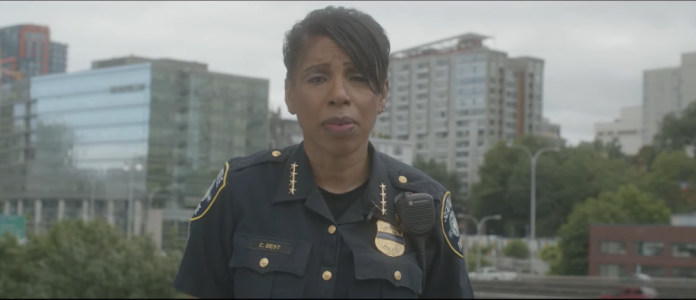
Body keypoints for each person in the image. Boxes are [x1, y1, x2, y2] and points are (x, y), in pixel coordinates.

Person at [174, 6, 474, 299]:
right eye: (318, 78)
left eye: (357, 77)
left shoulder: (425, 204)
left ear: (382, 94)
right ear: (290, 94)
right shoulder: (239, 189)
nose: (339, 95)